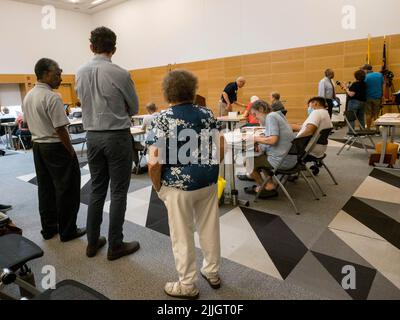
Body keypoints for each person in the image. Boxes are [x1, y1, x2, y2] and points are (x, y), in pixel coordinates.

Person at [146, 69, 223, 299]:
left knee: (182, 235)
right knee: (210, 228)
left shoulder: (162, 118)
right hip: (208, 181)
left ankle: (188, 285)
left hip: (178, 186)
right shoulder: (207, 113)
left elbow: (153, 162)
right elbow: (221, 145)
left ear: (167, 92)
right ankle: (212, 272)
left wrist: (158, 186)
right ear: (193, 89)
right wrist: (210, 169)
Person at [76, 26, 140, 260]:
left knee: (97, 189)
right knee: (119, 191)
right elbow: (134, 107)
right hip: (116, 136)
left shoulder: (80, 72)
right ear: (114, 48)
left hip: (92, 136)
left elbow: (83, 102)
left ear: (91, 47)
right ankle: (115, 245)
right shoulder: (120, 73)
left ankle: (92, 243)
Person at [22, 58, 85, 241]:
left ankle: (49, 229)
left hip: (38, 146)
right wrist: (71, 151)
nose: (60, 77)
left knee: (46, 189)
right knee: (67, 189)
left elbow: (27, 123)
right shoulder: (52, 97)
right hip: (55, 146)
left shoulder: (29, 96)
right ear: (45, 74)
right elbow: (60, 128)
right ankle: (68, 230)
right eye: (57, 74)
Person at [244, 100, 297, 198]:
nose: (255, 118)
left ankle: (265, 186)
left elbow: (273, 140)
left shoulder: (271, 117)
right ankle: (270, 184)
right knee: (261, 156)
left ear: (261, 109)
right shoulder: (277, 115)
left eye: (255, 114)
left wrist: (255, 139)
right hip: (291, 159)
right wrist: (260, 143)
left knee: (248, 161)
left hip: (282, 161)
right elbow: (273, 140)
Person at [132, 102, 158, 170]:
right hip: (160, 141)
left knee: (133, 145)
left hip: (149, 143)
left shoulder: (147, 117)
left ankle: (137, 166)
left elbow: (142, 129)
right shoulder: (161, 116)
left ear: (148, 110)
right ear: (156, 108)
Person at [361, 64, 384, 130]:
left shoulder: (365, 77)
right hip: (378, 97)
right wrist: (382, 95)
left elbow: (363, 87)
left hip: (368, 97)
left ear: (366, 70)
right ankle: (377, 130)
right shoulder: (379, 75)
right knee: (376, 114)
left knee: (368, 114)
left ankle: (368, 129)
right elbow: (383, 85)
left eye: (363, 70)